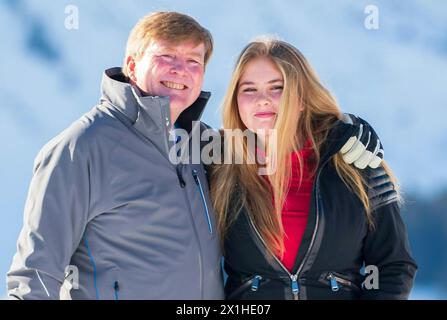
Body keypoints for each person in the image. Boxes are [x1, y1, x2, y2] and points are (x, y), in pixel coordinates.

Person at [7, 12, 383, 300]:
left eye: (193, 61)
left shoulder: (204, 146)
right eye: (166, 56)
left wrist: (347, 130)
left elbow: (282, 140)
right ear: (132, 66)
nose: (180, 71)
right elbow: (33, 276)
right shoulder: (79, 149)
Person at [210, 37, 417, 300]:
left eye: (277, 88)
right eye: (249, 90)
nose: (262, 100)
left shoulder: (355, 161)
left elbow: (394, 265)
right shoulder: (216, 166)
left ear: (302, 99)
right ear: (235, 102)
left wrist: (349, 128)